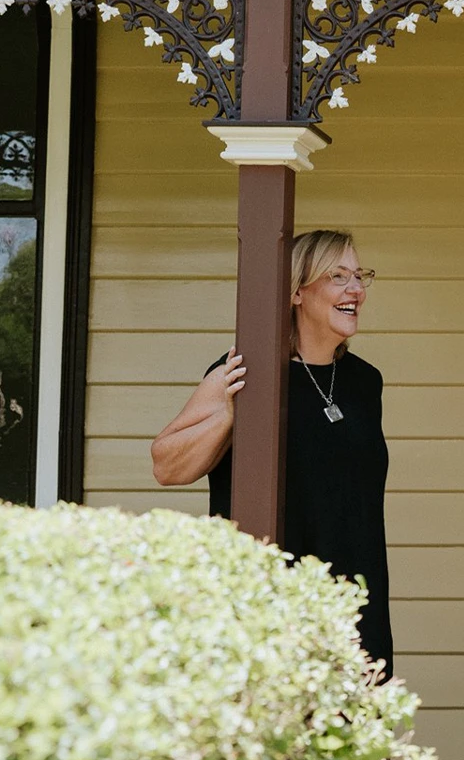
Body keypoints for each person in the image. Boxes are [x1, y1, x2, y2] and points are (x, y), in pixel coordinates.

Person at [151, 229, 394, 679]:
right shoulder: (245, 371)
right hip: (272, 609)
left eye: (359, 276)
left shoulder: (366, 383)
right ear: (298, 290)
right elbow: (166, 464)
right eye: (338, 276)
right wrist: (227, 417)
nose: (355, 289)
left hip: (356, 608)